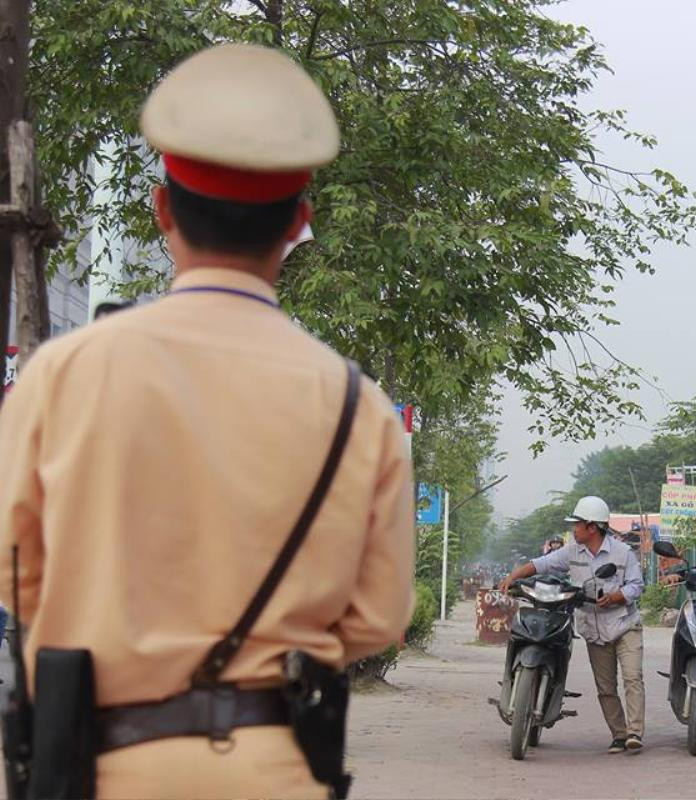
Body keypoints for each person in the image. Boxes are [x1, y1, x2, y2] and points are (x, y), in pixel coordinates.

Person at [0, 43, 415, 799]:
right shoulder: (360, 407)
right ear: (299, 221)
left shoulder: (61, 374)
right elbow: (380, 618)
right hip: (275, 768)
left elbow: (17, 570)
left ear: (162, 208)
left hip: (97, 766)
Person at [500, 496, 646, 754]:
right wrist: (512, 576)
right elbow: (540, 564)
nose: (573, 529)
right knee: (605, 687)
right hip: (593, 627)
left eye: (577, 524)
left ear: (592, 527)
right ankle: (619, 735)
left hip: (624, 624)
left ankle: (634, 732)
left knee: (632, 678)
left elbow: (636, 585)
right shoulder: (571, 551)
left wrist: (616, 596)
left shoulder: (623, 553)